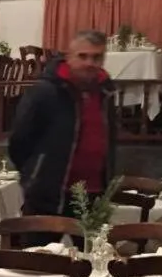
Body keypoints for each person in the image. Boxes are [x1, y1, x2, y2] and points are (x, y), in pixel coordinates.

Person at [8, 29, 116, 240]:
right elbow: (19, 141)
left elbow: (109, 139)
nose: (89, 63)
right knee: (38, 262)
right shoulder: (45, 91)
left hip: (93, 193)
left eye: (96, 57)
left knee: (92, 264)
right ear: (68, 56)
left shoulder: (106, 92)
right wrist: (35, 174)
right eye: (82, 56)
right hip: (49, 192)